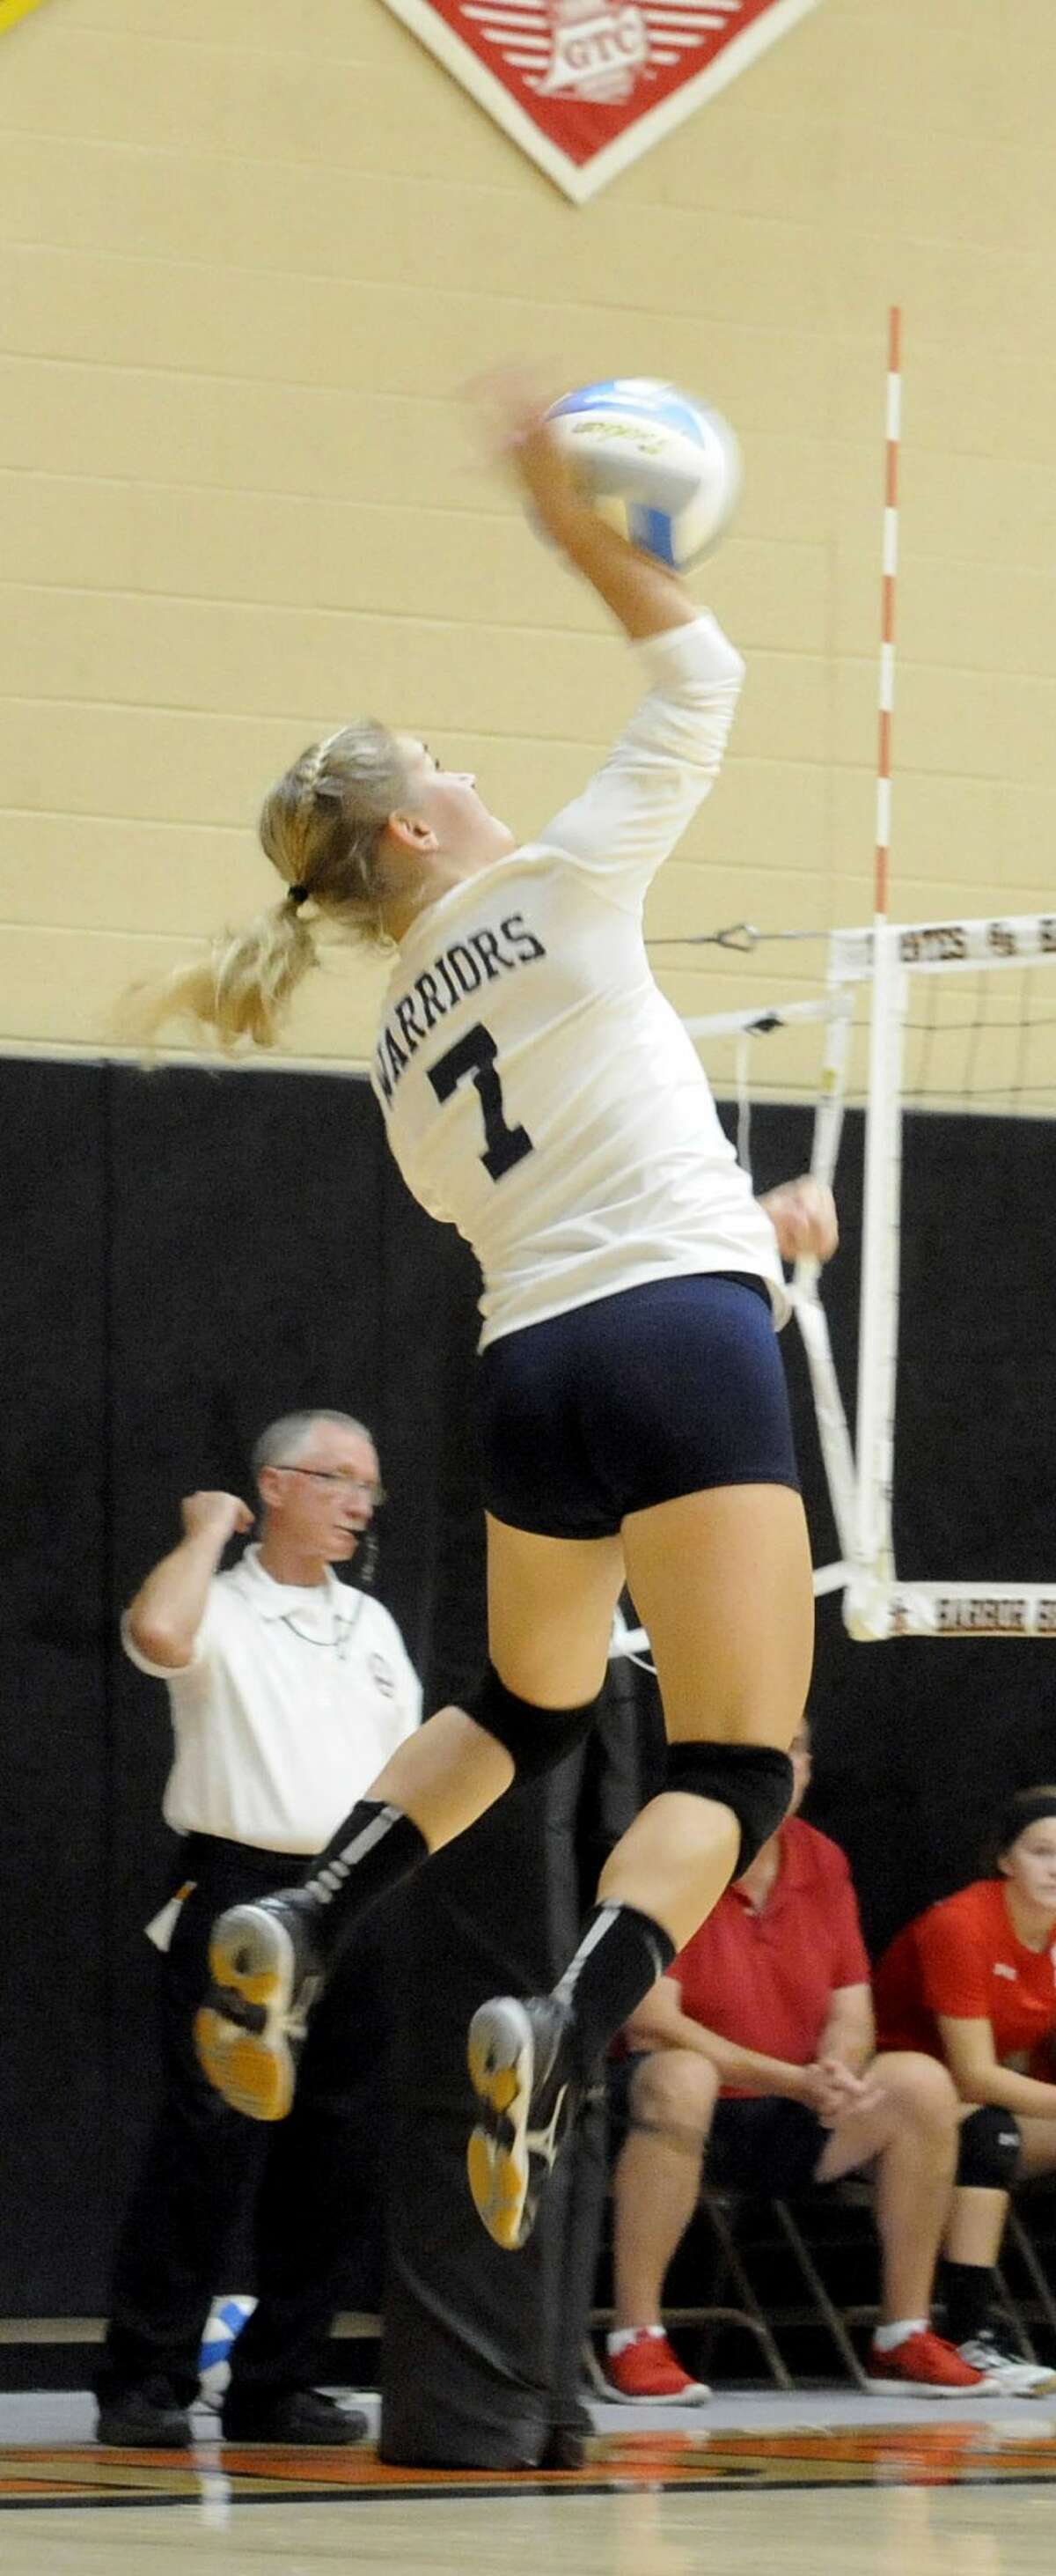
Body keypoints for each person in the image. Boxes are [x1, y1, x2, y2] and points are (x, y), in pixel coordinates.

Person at [136, 370, 838, 2260]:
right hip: (678, 1335)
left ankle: (304, 1907)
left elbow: (560, 1205)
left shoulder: (389, 1045)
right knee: (739, 1761)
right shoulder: (559, 882)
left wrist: (744, 1246)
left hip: (536, 1364)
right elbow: (707, 687)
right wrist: (582, 530)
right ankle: (561, 2010)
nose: (472, 774)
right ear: (419, 836)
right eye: (440, 764)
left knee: (525, 1701)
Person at [96, 1409, 422, 2448]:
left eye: (370, 1484)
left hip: (357, 1894)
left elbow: (410, 1763)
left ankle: (277, 2382)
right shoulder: (217, 1603)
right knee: (210, 2140)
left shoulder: (369, 1621)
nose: (359, 1503)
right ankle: (145, 2380)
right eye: (336, 1479)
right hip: (239, 1890)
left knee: (336, 2147)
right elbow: (156, 1638)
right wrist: (204, 1531)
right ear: (274, 1487)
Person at [604, 1720, 987, 2400]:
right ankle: (636, 2337)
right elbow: (653, 2024)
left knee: (921, 2082)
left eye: (795, 1752)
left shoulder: (823, 1859)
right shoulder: (669, 1853)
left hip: (794, 2108)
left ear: (808, 1768)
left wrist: (838, 2067)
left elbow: (851, 2008)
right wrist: (793, 2079)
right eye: (764, 1756)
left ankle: (902, 2332)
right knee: (680, 2076)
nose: (783, 1770)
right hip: (673, 2108)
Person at [873, 1784, 1056, 2396]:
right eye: (1042, 1851)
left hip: (980, 2103)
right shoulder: (961, 1925)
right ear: (1006, 1860)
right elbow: (974, 2074)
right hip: (891, 2105)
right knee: (991, 2134)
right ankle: (967, 2330)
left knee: (995, 2128)